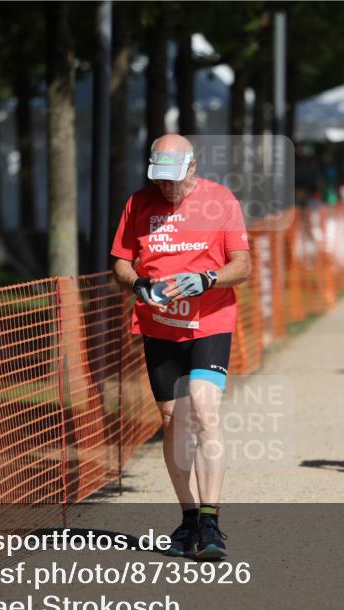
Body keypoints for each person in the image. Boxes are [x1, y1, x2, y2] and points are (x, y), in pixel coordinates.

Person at [111, 134, 251, 559]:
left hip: (209, 322)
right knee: (173, 420)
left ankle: (211, 522)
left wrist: (206, 279)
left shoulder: (220, 200)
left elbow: (242, 265)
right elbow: (120, 260)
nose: (166, 188)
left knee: (204, 410)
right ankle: (188, 516)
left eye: (173, 179)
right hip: (159, 326)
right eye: (160, 180)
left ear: (192, 167)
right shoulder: (139, 203)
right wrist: (138, 285)